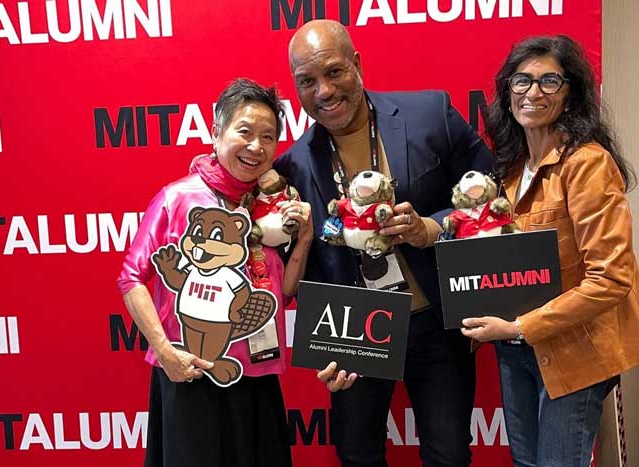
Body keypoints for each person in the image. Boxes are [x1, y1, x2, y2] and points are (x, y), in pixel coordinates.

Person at [274, 20, 493, 467]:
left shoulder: (431, 113)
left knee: (449, 455)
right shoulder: (292, 165)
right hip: (356, 330)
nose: (323, 91)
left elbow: (492, 190)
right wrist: (325, 347)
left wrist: (431, 228)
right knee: (356, 454)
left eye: (334, 72)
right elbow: (305, 267)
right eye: (307, 81)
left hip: (435, 319)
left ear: (357, 64)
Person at [461, 35, 639, 466]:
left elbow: (612, 278)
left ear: (571, 92)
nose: (533, 93)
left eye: (549, 81)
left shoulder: (587, 164)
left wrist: (519, 326)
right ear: (507, 92)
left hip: (573, 352)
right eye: (521, 81)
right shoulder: (509, 170)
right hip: (515, 348)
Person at [117, 78, 313, 467]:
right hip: (190, 375)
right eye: (245, 131)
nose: (256, 146)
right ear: (216, 132)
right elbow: (131, 277)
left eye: (268, 136)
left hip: (256, 376)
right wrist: (164, 351)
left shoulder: (272, 208)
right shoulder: (178, 198)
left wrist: (303, 239)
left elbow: (283, 294)